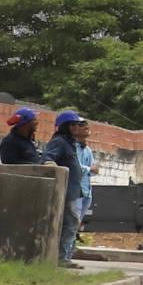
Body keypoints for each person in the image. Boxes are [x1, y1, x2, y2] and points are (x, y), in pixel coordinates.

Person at [41, 111, 93, 267]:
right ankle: (62, 258)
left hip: (73, 191)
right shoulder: (59, 142)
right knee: (70, 224)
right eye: (74, 125)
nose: (77, 128)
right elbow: (48, 157)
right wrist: (50, 165)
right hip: (66, 191)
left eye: (78, 125)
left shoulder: (70, 143)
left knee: (70, 224)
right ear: (66, 127)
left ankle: (63, 256)